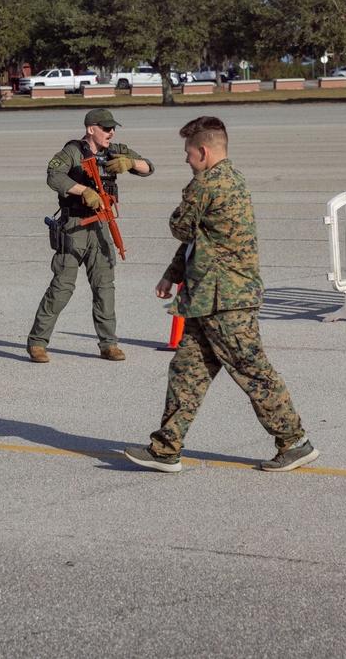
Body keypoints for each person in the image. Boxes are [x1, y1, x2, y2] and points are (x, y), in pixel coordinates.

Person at [124, 116, 319, 473]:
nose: (186, 160)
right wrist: (172, 275)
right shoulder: (235, 179)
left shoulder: (205, 184)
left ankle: (294, 441)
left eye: (188, 153)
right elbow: (202, 240)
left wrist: (184, 203)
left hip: (223, 300)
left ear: (203, 151)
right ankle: (165, 448)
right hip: (212, 297)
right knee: (186, 372)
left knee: (253, 371)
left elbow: (181, 227)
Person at [26, 108, 154, 363]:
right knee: (62, 286)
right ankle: (37, 343)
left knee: (104, 287)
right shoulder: (72, 151)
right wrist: (83, 190)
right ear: (90, 128)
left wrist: (130, 163)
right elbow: (54, 176)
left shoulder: (115, 150)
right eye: (106, 128)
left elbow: (148, 167)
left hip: (102, 225)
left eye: (112, 128)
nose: (111, 132)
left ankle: (109, 344)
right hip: (75, 225)